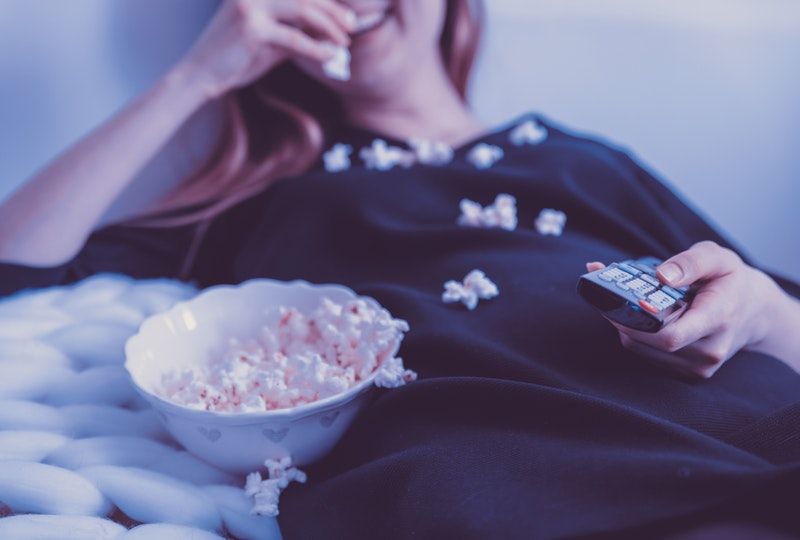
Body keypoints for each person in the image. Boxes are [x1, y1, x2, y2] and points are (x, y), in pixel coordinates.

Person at [1, 1, 799, 537]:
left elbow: (780, 322)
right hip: (497, 478)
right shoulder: (272, 200)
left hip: (738, 428)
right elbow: (17, 268)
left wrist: (758, 309)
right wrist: (197, 76)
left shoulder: (584, 162)